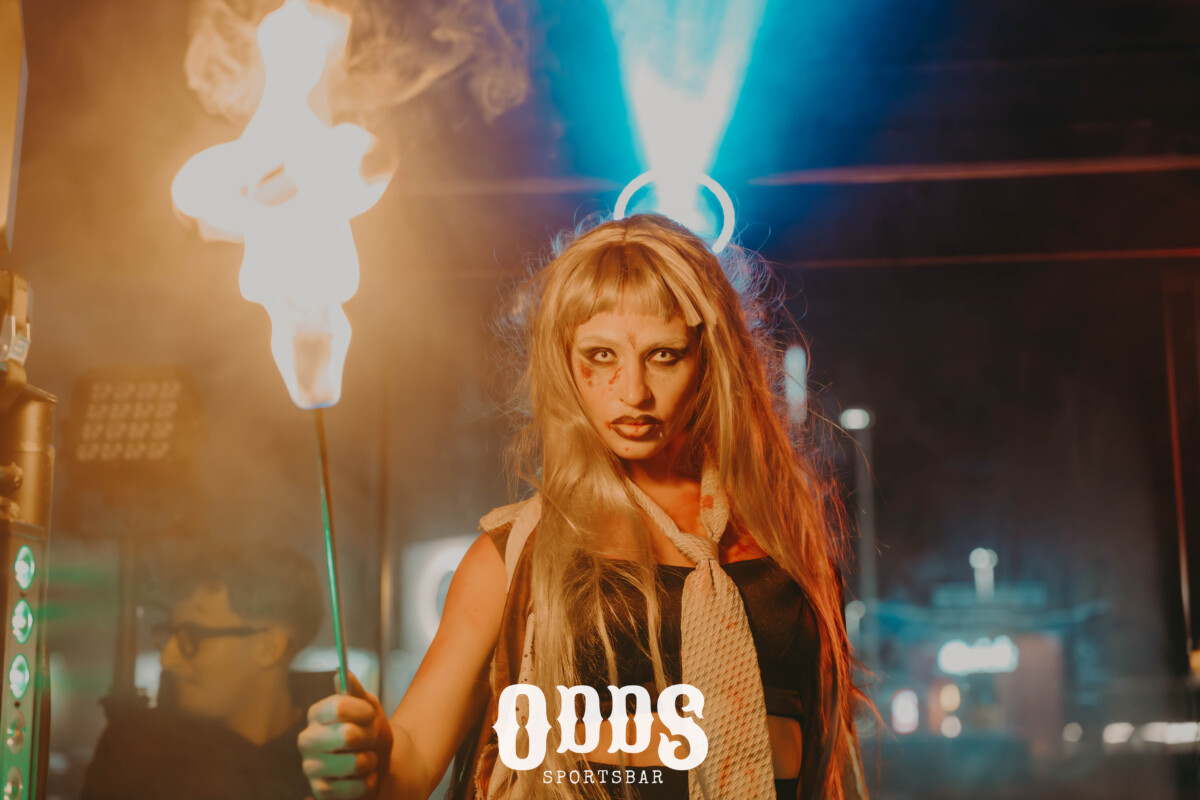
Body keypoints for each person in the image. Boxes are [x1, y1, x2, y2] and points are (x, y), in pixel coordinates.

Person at [300, 214, 869, 800]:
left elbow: (817, 748)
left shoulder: (784, 540)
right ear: (565, 362)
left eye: (665, 355)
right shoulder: (516, 557)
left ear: (709, 360)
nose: (633, 391)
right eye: (600, 355)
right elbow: (415, 759)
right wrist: (372, 756)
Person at [82, 541, 325, 800]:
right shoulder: (134, 752)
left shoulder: (332, 757)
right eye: (170, 633)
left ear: (269, 648)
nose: (167, 659)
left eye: (193, 635)